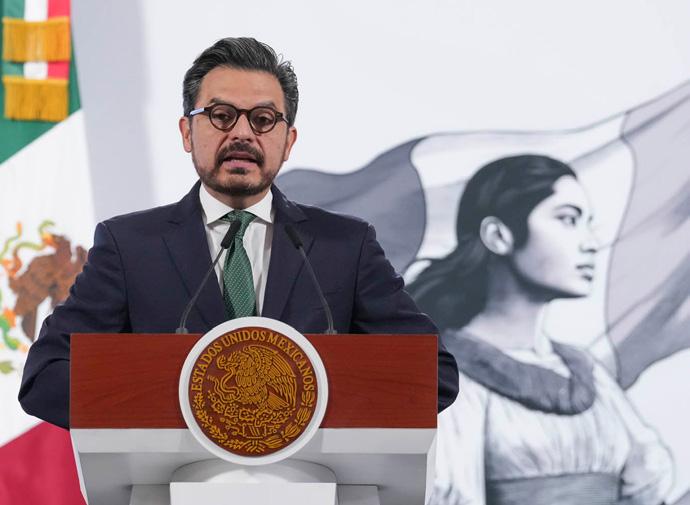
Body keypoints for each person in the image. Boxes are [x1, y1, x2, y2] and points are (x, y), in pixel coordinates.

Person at [18, 37, 459, 429]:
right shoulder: (131, 246)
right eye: (221, 116)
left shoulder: (345, 247)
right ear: (187, 132)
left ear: (289, 141)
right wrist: (191, 411)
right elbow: (47, 376)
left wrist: (297, 415)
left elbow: (432, 374)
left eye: (263, 119)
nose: (242, 133)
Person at [408, 155, 672, 505]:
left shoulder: (584, 370)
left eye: (588, 223)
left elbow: (648, 485)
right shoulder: (446, 372)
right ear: (498, 236)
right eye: (568, 219)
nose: (590, 243)